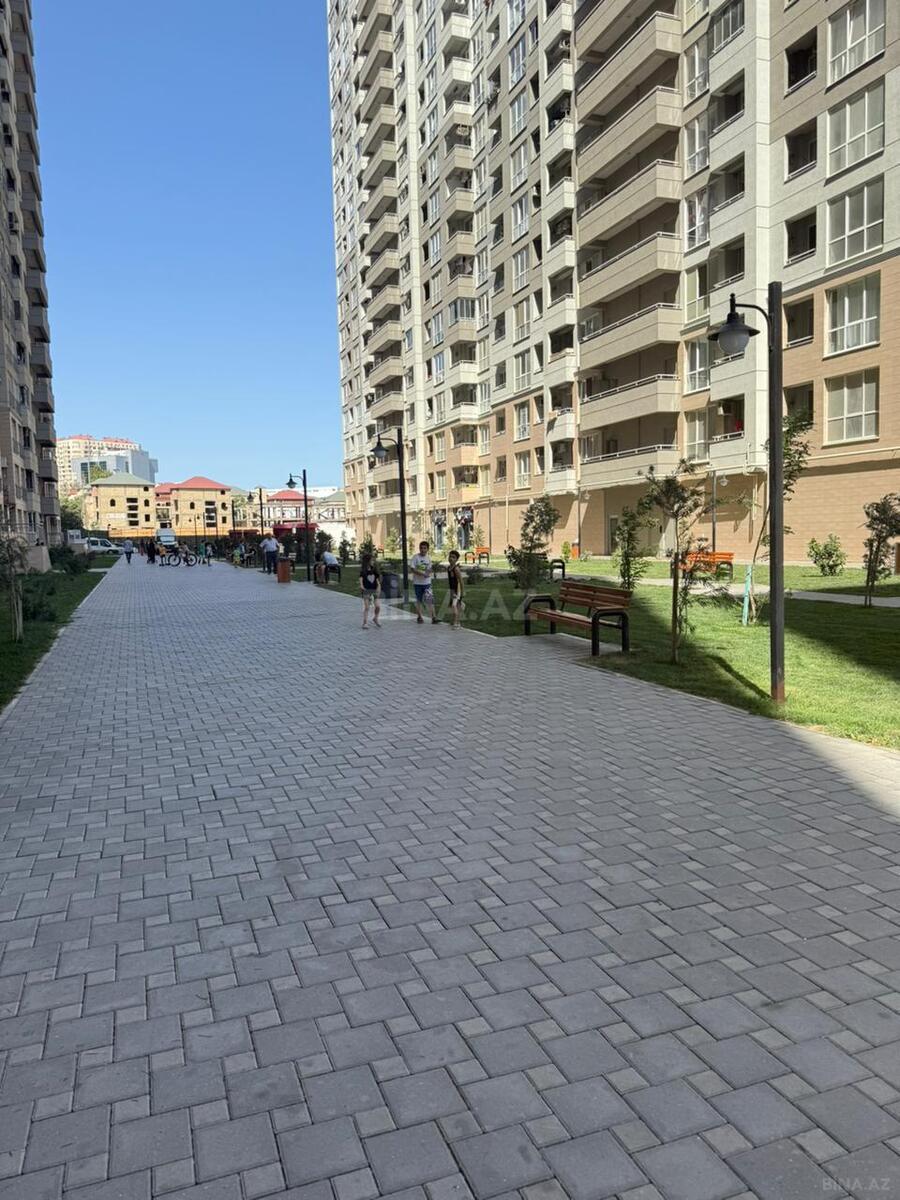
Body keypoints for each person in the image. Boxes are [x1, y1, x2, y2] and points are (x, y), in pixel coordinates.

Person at [410, 540, 438, 624]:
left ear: (427, 549)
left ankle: (434, 617)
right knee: (419, 600)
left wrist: (428, 573)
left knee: (430, 600)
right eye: (421, 548)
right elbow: (412, 569)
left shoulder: (428, 558)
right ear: (419, 549)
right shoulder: (415, 557)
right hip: (417, 583)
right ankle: (419, 617)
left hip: (427, 583)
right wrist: (423, 574)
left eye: (425, 548)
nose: (423, 550)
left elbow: (429, 568)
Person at [359, 554, 381, 629]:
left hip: (374, 589)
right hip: (366, 590)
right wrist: (362, 586)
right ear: (367, 561)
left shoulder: (374, 570)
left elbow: (377, 580)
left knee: (378, 606)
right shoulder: (363, 571)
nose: (373, 561)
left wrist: (378, 587)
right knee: (367, 607)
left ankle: (375, 618)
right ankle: (364, 623)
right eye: (372, 560)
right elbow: (361, 579)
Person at [447, 550, 464, 629]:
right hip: (452, 590)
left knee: (454, 605)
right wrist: (451, 591)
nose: (451, 558)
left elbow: (461, 581)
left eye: (453, 557)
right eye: (450, 556)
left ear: (456, 559)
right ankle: (458, 622)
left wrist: (462, 592)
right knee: (454, 605)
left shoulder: (456, 569)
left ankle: (455, 624)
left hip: (457, 590)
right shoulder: (449, 568)